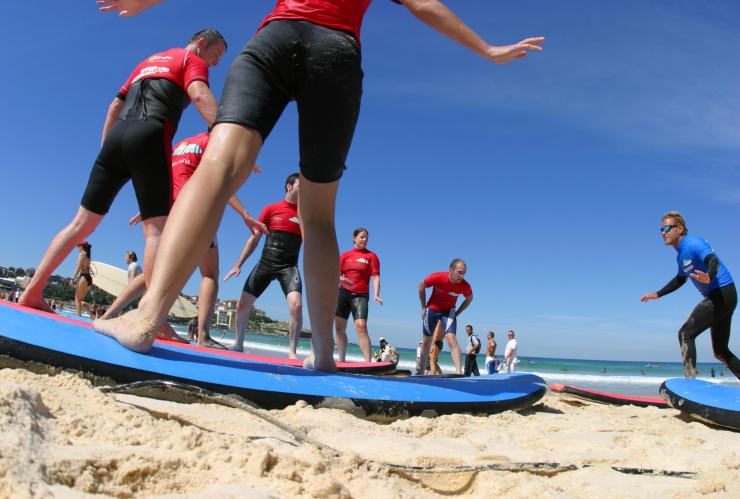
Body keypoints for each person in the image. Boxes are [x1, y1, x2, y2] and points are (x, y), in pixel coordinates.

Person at [95, 0, 544, 368]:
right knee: (319, 211)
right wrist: (487, 49)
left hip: (274, 40)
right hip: (336, 52)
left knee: (217, 168)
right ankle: (325, 355)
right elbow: (423, 5)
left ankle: (145, 319)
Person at [20, 28, 227, 314]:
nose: (215, 62)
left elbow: (114, 105)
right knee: (156, 232)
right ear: (201, 43)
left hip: (116, 139)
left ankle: (32, 291)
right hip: (151, 135)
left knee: (80, 223)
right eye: (216, 55)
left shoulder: (146, 62)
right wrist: (227, 137)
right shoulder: (191, 60)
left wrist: (106, 152)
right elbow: (201, 94)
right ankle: (151, 316)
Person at [101, 132, 267, 348]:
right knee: (209, 274)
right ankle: (203, 336)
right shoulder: (217, 143)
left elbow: (166, 179)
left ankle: (110, 313)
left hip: (167, 208)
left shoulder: (181, 145)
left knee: (155, 272)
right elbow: (220, 186)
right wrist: (245, 214)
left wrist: (148, 209)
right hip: (194, 210)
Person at [641, 211, 740, 380]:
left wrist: (709, 275)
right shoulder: (680, 256)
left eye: (667, 228)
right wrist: (657, 294)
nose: (663, 232)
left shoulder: (694, 243)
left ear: (679, 229)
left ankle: (691, 384)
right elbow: (680, 279)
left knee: (685, 334)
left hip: (721, 293)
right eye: (661, 230)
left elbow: (712, 260)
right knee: (721, 351)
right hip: (723, 297)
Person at [224, 174, 303, 356]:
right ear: (289, 186)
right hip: (266, 263)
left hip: (288, 267)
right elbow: (254, 238)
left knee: (297, 306)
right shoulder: (271, 209)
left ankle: (292, 352)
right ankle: (238, 344)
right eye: (301, 186)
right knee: (242, 306)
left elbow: (313, 246)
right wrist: (238, 264)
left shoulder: (304, 215)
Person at [417, 259, 473, 375]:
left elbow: (469, 298)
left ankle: (458, 372)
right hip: (432, 309)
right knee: (426, 341)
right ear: (451, 270)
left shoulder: (465, 286)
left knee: (451, 339)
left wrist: (458, 312)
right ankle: (421, 372)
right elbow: (421, 286)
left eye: (464, 273)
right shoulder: (437, 277)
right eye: (459, 272)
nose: (462, 276)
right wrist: (423, 306)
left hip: (448, 311)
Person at [334, 228, 382, 362]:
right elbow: (335, 273)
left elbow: (376, 276)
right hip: (343, 293)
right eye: (362, 237)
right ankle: (341, 361)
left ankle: (368, 362)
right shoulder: (345, 255)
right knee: (339, 328)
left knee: (361, 326)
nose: (365, 240)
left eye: (366, 238)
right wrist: (341, 279)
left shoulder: (371, 256)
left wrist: (376, 294)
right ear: (354, 238)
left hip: (360, 294)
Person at [70, 242, 93, 316]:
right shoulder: (88, 255)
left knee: (77, 298)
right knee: (80, 300)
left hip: (84, 277)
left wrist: (73, 278)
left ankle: (78, 317)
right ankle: (91, 315)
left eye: (78, 246)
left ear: (82, 246)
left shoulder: (82, 254)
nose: (77, 248)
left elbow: (79, 267)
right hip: (89, 278)